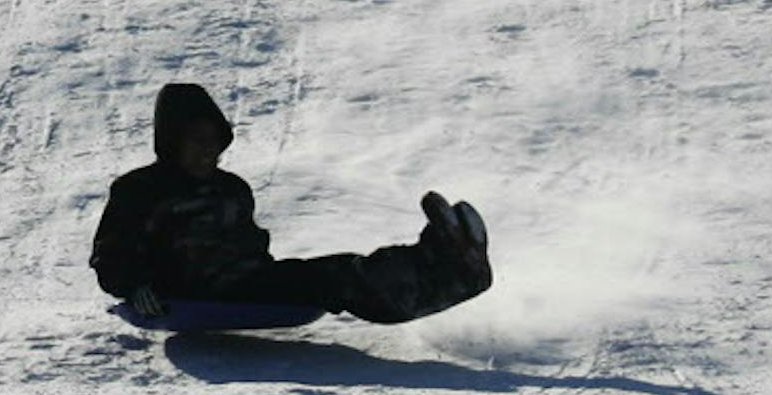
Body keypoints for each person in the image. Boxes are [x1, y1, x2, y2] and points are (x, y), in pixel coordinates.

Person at [90, 83, 492, 325]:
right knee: (334, 278)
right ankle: (449, 269)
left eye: (214, 142)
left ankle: (445, 259)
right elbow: (111, 256)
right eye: (197, 142)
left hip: (245, 284)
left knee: (341, 270)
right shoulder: (139, 190)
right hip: (189, 293)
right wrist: (136, 286)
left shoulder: (232, 188)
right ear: (172, 141)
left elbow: (251, 246)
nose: (208, 153)